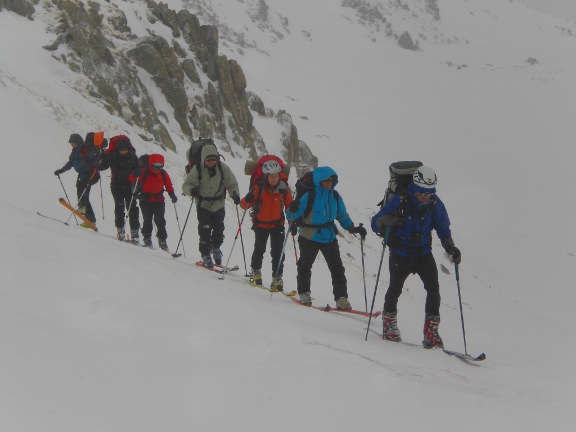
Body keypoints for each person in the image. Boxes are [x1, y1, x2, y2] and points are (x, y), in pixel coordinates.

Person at [371, 166, 461, 349]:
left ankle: (431, 332)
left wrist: (450, 247)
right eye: (421, 192)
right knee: (395, 289)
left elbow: (443, 227)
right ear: (415, 187)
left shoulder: (434, 203)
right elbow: (375, 222)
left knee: (433, 290)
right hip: (400, 253)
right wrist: (384, 221)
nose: (424, 196)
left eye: (428, 193)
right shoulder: (399, 199)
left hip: (423, 254)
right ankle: (389, 325)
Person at [286, 166, 366, 310]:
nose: (329, 183)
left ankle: (341, 298)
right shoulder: (309, 195)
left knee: (337, 268)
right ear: (319, 181)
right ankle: (304, 293)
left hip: (328, 236)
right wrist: (292, 209)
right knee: (305, 266)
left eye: (331, 180)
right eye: (326, 181)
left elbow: (342, 215)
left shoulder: (335, 196)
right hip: (308, 236)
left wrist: (352, 228)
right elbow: (291, 216)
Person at [182, 141, 240, 268]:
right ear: (203, 159)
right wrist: (192, 191)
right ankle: (205, 255)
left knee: (219, 231)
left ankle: (216, 248)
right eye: (208, 160)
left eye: (213, 159)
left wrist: (235, 194)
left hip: (219, 205)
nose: (211, 162)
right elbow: (186, 185)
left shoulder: (222, 168)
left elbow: (231, 183)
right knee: (205, 231)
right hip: (203, 205)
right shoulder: (197, 169)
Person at [240, 159, 293, 291]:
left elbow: (290, 207)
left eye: (276, 176)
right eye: (271, 176)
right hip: (261, 225)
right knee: (259, 249)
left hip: (277, 224)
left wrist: (293, 220)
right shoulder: (259, 187)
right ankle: (256, 271)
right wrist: (248, 199)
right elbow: (243, 205)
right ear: (266, 176)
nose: (274, 179)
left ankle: (277, 277)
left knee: (278, 252)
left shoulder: (283, 188)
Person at [129, 153, 177, 250]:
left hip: (159, 201)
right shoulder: (143, 171)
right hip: (145, 200)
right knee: (147, 220)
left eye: (160, 167)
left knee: (160, 221)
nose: (157, 169)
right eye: (155, 167)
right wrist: (135, 173)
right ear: (150, 164)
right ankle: (147, 238)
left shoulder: (163, 173)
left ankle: (162, 240)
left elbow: (168, 184)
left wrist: (172, 194)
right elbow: (131, 178)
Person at [54, 133, 101, 228]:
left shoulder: (86, 149)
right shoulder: (74, 152)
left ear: (78, 142)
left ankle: (82, 207)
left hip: (91, 174)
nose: (72, 145)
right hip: (83, 174)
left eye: (73, 143)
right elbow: (70, 164)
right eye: (71, 143)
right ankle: (91, 220)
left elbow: (95, 160)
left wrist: (97, 166)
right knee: (81, 191)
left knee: (83, 191)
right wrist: (61, 171)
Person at [99, 135, 140, 241]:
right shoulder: (113, 156)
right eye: (121, 149)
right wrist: (100, 159)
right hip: (116, 185)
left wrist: (137, 172)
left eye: (125, 149)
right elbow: (103, 166)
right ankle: (120, 230)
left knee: (132, 208)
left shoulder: (132, 157)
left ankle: (134, 232)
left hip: (128, 185)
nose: (123, 151)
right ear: (118, 149)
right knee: (119, 207)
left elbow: (138, 168)